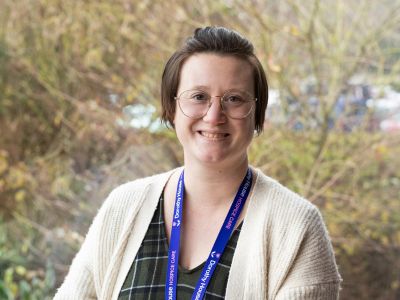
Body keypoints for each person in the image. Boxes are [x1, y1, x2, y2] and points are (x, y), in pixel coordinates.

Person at [54, 26, 341, 300]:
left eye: (234, 99)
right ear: (172, 108)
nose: (214, 115)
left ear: (257, 114)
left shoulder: (296, 228)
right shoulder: (122, 208)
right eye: (199, 97)